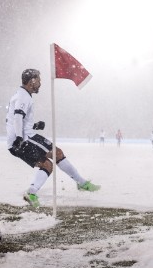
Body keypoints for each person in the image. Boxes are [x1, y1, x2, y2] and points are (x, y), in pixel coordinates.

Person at [6, 69, 100, 208]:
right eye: (38, 80)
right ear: (31, 81)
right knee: (57, 154)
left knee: (48, 165)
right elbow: (18, 117)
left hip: (19, 140)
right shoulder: (23, 97)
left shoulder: (21, 95)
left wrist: (34, 125)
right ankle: (81, 183)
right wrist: (20, 138)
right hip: (24, 139)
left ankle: (32, 193)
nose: (40, 83)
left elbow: (17, 118)